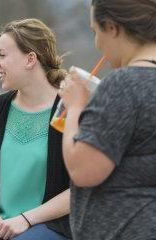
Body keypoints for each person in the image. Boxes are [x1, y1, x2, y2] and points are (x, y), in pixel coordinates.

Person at [0, 18, 71, 240]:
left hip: (50, 226)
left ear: (30, 59)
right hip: (0, 223)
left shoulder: (68, 109)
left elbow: (79, 188)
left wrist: (25, 219)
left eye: (2, 55)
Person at [59, 0, 156, 239]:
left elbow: (83, 170)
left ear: (112, 28)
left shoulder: (124, 84)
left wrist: (75, 107)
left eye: (95, 31)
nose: (96, 43)